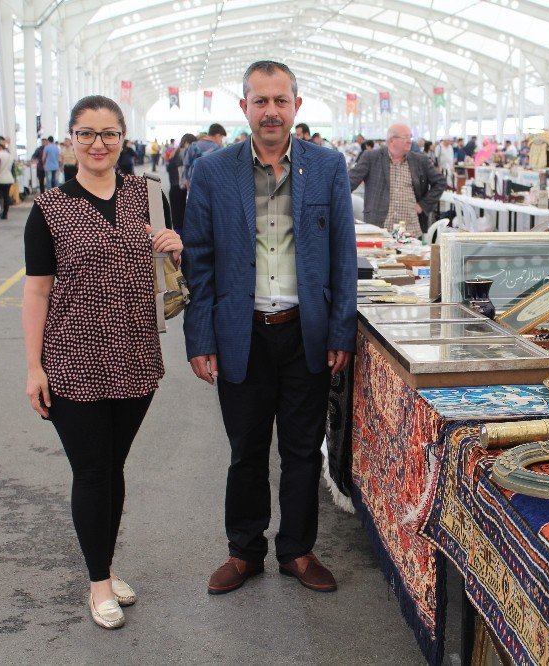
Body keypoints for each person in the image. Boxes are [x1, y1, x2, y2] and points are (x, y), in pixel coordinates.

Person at [183, 60, 356, 596]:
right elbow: (200, 262)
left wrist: (340, 332)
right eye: (260, 101)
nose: (271, 111)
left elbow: (341, 257)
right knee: (246, 449)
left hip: (303, 329)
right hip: (243, 332)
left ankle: (298, 552)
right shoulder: (214, 172)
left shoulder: (327, 167)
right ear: (244, 109)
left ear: (296, 106)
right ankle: (244, 551)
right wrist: (202, 338)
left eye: (281, 101)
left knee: (303, 450)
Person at [22, 95, 181, 630]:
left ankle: (106, 570)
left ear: (123, 138)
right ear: (70, 139)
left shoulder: (147, 196)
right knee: (92, 471)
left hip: (136, 355)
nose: (98, 144)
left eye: (109, 133)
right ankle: (97, 585)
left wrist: (174, 243)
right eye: (87, 133)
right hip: (73, 359)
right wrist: (33, 366)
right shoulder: (49, 209)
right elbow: (37, 293)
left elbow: (169, 264)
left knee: (112, 468)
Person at [348, 122, 447, 236]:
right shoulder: (371, 157)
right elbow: (348, 183)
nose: (410, 140)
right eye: (405, 137)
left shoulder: (420, 160)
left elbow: (440, 182)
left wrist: (423, 205)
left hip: (410, 230)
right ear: (391, 140)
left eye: (410, 137)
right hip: (379, 228)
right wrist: (344, 213)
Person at [167, 132, 196, 230]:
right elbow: (183, 174)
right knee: (182, 219)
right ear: (189, 142)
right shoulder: (185, 153)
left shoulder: (174, 152)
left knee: (176, 218)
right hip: (181, 189)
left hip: (173, 188)